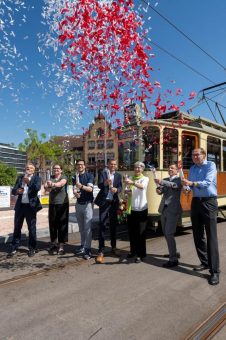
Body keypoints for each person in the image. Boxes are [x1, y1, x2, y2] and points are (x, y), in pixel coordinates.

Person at [182, 148, 220, 285]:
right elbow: (191, 187)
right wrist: (187, 187)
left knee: (211, 237)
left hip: (209, 202)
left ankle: (215, 271)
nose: (195, 156)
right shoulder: (192, 168)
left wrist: (191, 184)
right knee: (198, 235)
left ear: (203, 155)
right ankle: (204, 262)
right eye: (193, 155)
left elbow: (207, 183)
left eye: (198, 154)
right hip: (196, 202)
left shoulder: (211, 165)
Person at [8, 163, 42, 257]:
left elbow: (37, 189)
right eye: (27, 168)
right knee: (17, 227)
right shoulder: (20, 177)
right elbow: (13, 190)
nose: (29, 169)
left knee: (31, 228)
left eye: (31, 168)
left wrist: (29, 182)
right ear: (25, 169)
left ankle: (32, 248)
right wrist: (17, 191)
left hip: (30, 207)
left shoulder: (37, 178)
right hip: (20, 206)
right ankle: (14, 247)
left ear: (34, 170)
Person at [94, 159, 122, 263]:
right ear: (108, 165)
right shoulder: (103, 173)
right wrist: (105, 182)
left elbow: (120, 187)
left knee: (114, 225)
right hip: (104, 202)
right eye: (111, 164)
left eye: (115, 164)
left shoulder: (119, 175)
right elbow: (99, 185)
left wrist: (117, 190)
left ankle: (113, 247)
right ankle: (101, 250)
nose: (113, 166)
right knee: (102, 225)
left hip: (114, 202)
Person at [155, 164, 182, 267]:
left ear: (176, 170)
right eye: (169, 168)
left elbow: (174, 186)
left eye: (172, 168)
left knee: (169, 233)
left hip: (173, 210)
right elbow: (160, 191)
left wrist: (161, 182)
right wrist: (158, 189)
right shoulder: (165, 179)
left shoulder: (179, 180)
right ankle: (173, 252)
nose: (170, 169)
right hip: (164, 209)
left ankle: (173, 259)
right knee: (165, 233)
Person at [124, 161, 149, 263]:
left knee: (140, 233)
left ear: (142, 169)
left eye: (139, 168)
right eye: (135, 168)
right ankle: (133, 251)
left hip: (141, 209)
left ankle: (141, 254)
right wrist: (127, 192)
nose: (137, 169)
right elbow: (130, 193)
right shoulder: (131, 178)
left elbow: (142, 187)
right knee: (132, 232)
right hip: (131, 209)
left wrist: (132, 183)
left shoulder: (145, 178)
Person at [44, 164, 69, 255]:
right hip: (52, 203)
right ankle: (54, 243)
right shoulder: (50, 177)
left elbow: (61, 184)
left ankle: (61, 245)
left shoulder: (64, 176)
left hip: (62, 203)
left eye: (58, 168)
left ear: (61, 170)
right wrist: (46, 186)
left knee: (62, 224)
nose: (56, 170)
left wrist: (52, 184)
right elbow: (46, 189)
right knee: (53, 224)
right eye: (54, 168)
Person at [73, 160, 94, 260]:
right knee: (81, 228)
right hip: (78, 204)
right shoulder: (75, 176)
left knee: (87, 228)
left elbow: (90, 189)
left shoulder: (89, 176)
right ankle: (82, 246)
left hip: (88, 205)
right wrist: (75, 193)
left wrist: (81, 186)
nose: (80, 166)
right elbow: (75, 190)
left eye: (81, 165)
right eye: (78, 165)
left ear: (85, 166)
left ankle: (88, 249)